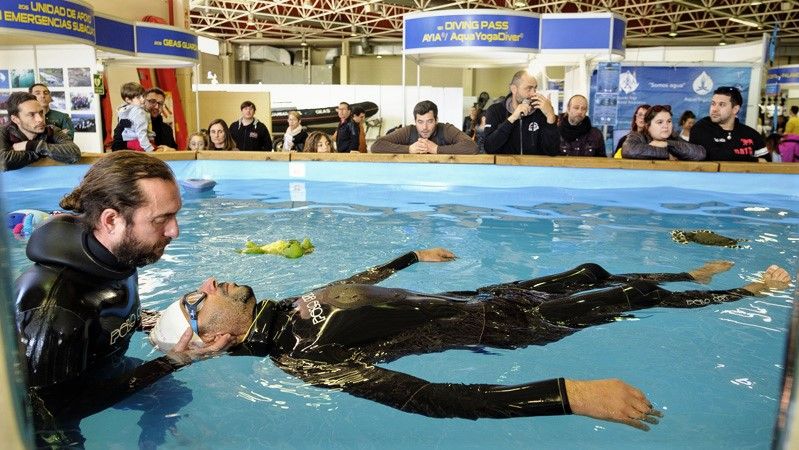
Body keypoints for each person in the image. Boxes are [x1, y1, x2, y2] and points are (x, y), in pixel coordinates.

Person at [146, 250, 789, 430]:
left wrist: (406, 260)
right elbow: (435, 400)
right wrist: (565, 395)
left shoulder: (286, 307)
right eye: (194, 301)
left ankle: (684, 271)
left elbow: (351, 283)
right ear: (211, 343)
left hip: (480, 298)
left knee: (588, 272)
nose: (205, 283)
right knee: (626, 297)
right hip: (500, 327)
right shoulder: (305, 359)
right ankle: (744, 295)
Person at [14, 151, 231, 446]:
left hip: (105, 368)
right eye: (161, 219)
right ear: (111, 220)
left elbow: (111, 315)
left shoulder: (116, 256)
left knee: (173, 393)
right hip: (48, 414)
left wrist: (177, 323)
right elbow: (52, 410)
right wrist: (171, 362)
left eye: (175, 214)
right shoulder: (53, 310)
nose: (174, 231)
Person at [483, 70, 559, 155]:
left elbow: (552, 151)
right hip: (505, 167)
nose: (533, 93)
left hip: (535, 167)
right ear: (514, 89)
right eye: (529, 88)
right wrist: (512, 119)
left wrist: (550, 116)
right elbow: (489, 147)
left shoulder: (540, 112)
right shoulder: (495, 110)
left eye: (535, 88)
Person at [0, 92, 80, 171]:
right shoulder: (4, 132)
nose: (40, 119)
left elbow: (74, 154)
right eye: (31, 115)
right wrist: (40, 152)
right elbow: (3, 162)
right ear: (15, 119)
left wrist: (33, 145)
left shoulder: (50, 129)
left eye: (41, 113)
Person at [689, 86, 769, 162]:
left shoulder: (752, 134)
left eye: (722, 104)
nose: (714, 109)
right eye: (713, 104)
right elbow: (714, 156)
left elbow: (766, 163)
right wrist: (754, 160)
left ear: (735, 109)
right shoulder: (701, 128)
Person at [371, 100, 478, 154]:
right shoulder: (408, 131)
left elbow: (471, 146)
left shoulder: (446, 129)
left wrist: (436, 149)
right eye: (420, 122)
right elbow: (376, 145)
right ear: (415, 121)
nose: (424, 127)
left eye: (429, 121)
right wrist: (409, 149)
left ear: (436, 120)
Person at [621, 105, 706, 160]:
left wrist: (667, 144)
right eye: (660, 122)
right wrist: (668, 154)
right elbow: (628, 150)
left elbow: (700, 153)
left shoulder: (673, 137)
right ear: (647, 126)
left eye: (669, 121)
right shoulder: (637, 136)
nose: (666, 126)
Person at [112, 87, 177, 152]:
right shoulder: (126, 125)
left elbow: (176, 151)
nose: (157, 107)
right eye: (152, 101)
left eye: (160, 103)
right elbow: (116, 150)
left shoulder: (167, 129)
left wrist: (171, 150)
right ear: (143, 101)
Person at [116, 82, 153, 152]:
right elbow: (141, 132)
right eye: (138, 97)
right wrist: (149, 149)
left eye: (143, 96)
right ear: (128, 100)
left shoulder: (124, 111)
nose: (143, 99)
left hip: (130, 142)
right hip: (141, 142)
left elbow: (128, 127)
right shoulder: (139, 112)